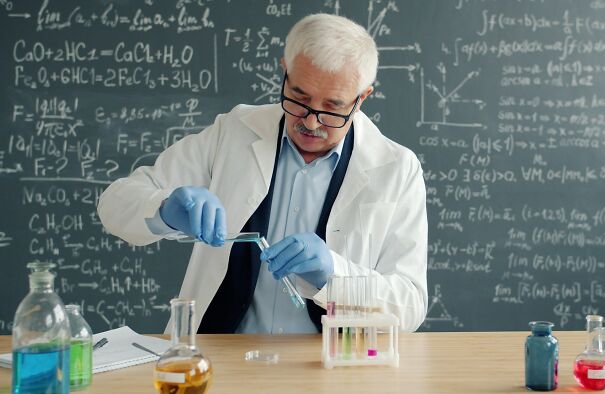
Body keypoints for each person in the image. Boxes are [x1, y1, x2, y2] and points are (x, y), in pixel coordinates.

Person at [97, 13, 428, 334]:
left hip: (328, 368)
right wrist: (165, 209)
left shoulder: (397, 168)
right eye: (299, 98)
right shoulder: (233, 131)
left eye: (332, 107)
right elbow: (115, 203)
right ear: (284, 72)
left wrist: (333, 274)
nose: (311, 122)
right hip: (221, 359)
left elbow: (411, 304)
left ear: (361, 98)